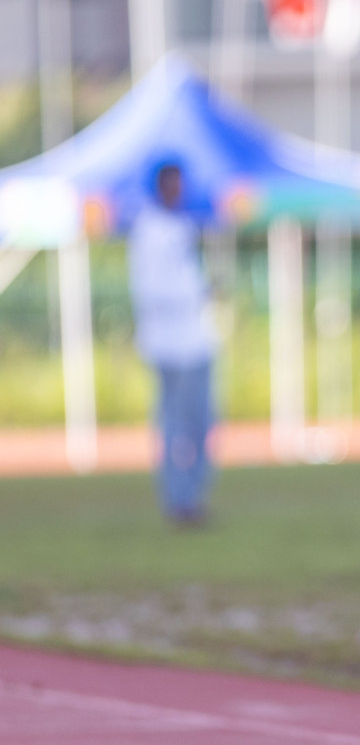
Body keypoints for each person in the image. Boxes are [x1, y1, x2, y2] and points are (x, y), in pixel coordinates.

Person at [127, 160, 219, 527]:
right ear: (160, 187)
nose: (178, 191)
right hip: (170, 346)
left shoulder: (180, 226)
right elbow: (151, 291)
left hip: (196, 342)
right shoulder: (148, 231)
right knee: (175, 427)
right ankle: (178, 500)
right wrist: (197, 292)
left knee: (200, 424)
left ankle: (191, 496)